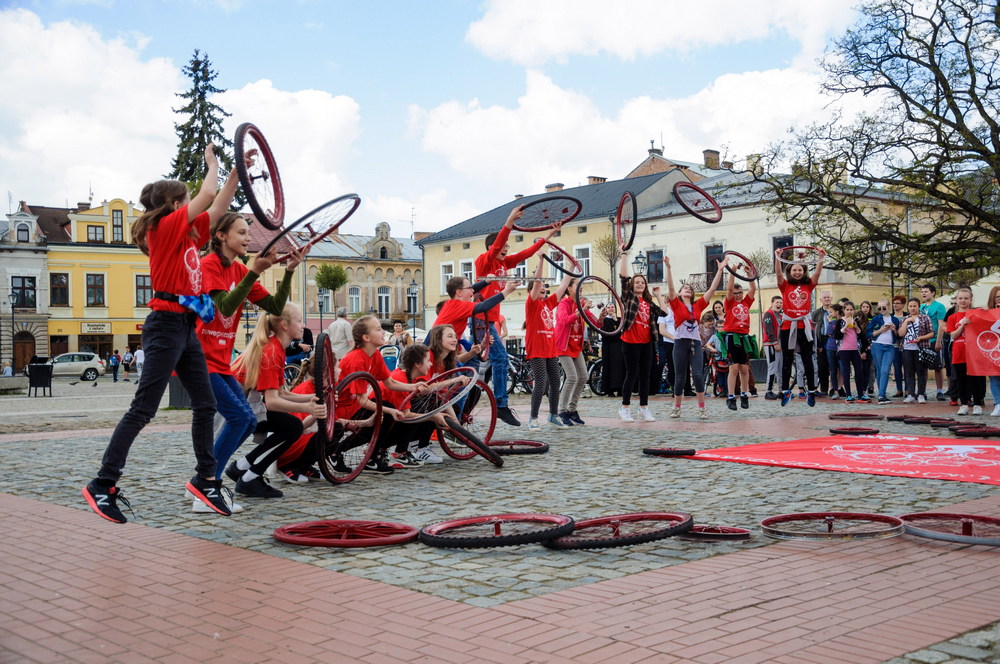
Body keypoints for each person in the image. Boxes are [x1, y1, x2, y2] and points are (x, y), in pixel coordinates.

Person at [83, 143, 237, 523]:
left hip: (185, 327)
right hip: (165, 326)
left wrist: (238, 174)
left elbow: (216, 207)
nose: (194, 203)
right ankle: (103, 483)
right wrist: (213, 163)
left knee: (205, 404)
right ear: (173, 204)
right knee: (143, 409)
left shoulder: (187, 234)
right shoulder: (164, 227)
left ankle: (206, 478)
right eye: (185, 198)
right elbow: (207, 195)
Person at [195, 210, 300, 510]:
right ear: (221, 236)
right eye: (241, 233)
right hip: (200, 358)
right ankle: (206, 485)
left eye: (248, 233)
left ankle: (204, 482)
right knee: (241, 418)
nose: (247, 238)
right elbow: (225, 308)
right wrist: (254, 271)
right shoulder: (209, 265)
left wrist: (290, 269)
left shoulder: (240, 272)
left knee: (247, 419)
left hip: (221, 360)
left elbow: (275, 306)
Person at [474, 205, 563, 426]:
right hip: (479, 317)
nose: (506, 249)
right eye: (503, 246)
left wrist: (550, 235)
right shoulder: (485, 260)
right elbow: (496, 246)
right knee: (500, 359)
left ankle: (468, 404)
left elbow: (527, 253)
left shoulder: (505, 263)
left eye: (508, 247)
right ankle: (501, 405)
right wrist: (510, 222)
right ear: (493, 247)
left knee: (483, 365)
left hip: (488, 320)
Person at [228, 303, 326, 497]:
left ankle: (242, 467)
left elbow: (282, 394)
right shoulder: (271, 351)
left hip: (241, 404)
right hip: (233, 408)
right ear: (283, 325)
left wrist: (313, 398)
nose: (303, 325)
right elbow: (272, 402)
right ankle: (249, 478)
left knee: (289, 425)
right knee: (292, 426)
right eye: (299, 320)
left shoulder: (277, 348)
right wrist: (309, 408)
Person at [338, 315, 428, 474]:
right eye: (378, 329)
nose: (383, 332)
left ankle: (371, 455)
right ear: (366, 337)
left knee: (387, 411)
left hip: (354, 405)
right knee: (385, 412)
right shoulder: (356, 359)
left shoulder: (376, 354)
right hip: (342, 408)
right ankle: (348, 452)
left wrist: (414, 385)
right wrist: (389, 411)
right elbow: (362, 400)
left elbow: (390, 383)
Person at [664, 254, 726, 420]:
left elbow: (712, 290)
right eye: (685, 288)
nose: (688, 289)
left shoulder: (698, 305)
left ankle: (702, 408)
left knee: (698, 375)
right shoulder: (676, 304)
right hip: (680, 343)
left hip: (695, 343)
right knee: (679, 377)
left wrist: (720, 270)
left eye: (690, 289)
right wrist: (669, 268)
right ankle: (677, 407)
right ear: (679, 292)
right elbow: (670, 288)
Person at [617, 251, 668, 422]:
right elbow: (623, 277)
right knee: (632, 374)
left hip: (646, 342)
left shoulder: (648, 303)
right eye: (637, 282)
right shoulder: (629, 298)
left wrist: (659, 294)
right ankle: (624, 408)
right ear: (632, 286)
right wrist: (623, 255)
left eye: (642, 283)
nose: (640, 284)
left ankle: (644, 408)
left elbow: (664, 312)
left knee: (646, 375)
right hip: (630, 341)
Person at [523, 259, 573, 429]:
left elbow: (562, 287)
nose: (543, 292)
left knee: (555, 381)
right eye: (540, 290)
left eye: (545, 290)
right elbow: (537, 283)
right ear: (531, 291)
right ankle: (533, 418)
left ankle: (553, 415)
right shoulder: (531, 304)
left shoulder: (547, 304)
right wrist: (540, 260)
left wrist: (571, 268)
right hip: (536, 350)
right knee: (541, 382)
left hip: (550, 350)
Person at [775, 250, 825, 407]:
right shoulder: (785, 285)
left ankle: (810, 391)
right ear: (789, 271)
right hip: (788, 326)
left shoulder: (808, 285)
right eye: (794, 269)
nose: (797, 272)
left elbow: (817, 273)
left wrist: (821, 259)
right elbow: (778, 273)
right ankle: (785, 391)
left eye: (800, 269)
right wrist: (777, 258)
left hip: (805, 326)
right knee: (787, 360)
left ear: (804, 271)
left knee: (807, 358)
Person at [555, 279, 602, 425]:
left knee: (583, 377)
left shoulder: (581, 303)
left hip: (576, 346)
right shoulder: (564, 303)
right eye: (577, 285)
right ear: (569, 288)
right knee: (572, 377)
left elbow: (596, 323)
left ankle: (572, 410)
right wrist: (579, 312)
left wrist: (602, 315)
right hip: (563, 345)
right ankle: (562, 411)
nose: (580, 288)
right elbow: (563, 321)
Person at [720, 272, 757, 411]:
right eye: (736, 293)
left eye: (740, 292)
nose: (738, 295)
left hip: (744, 337)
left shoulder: (746, 302)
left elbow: (753, 289)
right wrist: (732, 272)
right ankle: (730, 397)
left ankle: (744, 394)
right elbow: (729, 289)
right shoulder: (729, 303)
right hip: (732, 336)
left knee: (744, 368)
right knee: (734, 368)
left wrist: (750, 274)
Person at [947, 287, 986, 415]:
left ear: (970, 300)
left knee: (974, 378)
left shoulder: (975, 314)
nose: (963, 301)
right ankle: (963, 403)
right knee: (960, 378)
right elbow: (953, 335)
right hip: (959, 350)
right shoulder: (953, 317)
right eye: (960, 298)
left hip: (973, 350)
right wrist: (963, 324)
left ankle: (977, 403)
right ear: (957, 300)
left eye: (966, 298)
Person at [897, 297, 934, 404]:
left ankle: (921, 394)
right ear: (907, 307)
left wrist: (921, 338)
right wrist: (907, 322)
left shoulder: (925, 318)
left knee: (921, 372)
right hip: (907, 348)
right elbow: (900, 334)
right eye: (910, 306)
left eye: (914, 306)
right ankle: (911, 394)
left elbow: (931, 332)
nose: (912, 308)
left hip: (920, 348)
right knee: (909, 372)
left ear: (918, 307)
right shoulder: (904, 319)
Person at [833, 301, 870, 403]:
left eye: (851, 310)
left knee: (859, 371)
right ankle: (848, 394)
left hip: (855, 350)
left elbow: (861, 337)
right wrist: (845, 327)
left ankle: (860, 394)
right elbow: (837, 336)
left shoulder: (856, 321)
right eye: (847, 310)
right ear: (844, 311)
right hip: (844, 350)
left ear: (854, 310)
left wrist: (856, 327)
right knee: (846, 372)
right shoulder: (840, 322)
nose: (849, 311)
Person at [867, 299, 901, 404]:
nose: (882, 310)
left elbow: (898, 336)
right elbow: (868, 334)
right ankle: (882, 395)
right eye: (879, 308)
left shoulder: (894, 319)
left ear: (889, 307)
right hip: (877, 346)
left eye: (884, 308)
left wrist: (894, 329)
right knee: (880, 369)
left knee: (885, 370)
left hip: (890, 346)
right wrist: (881, 330)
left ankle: (881, 395)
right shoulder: (876, 319)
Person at [919, 284, 948, 401]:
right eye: (922, 292)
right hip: (922, 341)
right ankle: (922, 391)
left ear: (933, 293)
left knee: (937, 367)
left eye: (926, 291)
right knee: (922, 367)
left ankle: (939, 391)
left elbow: (941, 325)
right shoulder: (921, 307)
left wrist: (938, 341)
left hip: (934, 339)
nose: (923, 294)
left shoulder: (939, 306)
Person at [811, 290, 836, 396]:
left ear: (831, 299)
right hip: (821, 340)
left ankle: (835, 388)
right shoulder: (816, 313)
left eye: (828, 297)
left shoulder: (835, 311)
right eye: (824, 297)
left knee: (834, 365)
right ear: (821, 299)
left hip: (833, 340)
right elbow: (812, 329)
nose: (826, 299)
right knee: (822, 366)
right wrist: (817, 344)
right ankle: (824, 389)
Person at [762, 296, 782, 399]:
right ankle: (768, 391)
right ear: (772, 303)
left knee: (780, 368)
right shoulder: (768, 314)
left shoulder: (780, 315)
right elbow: (769, 329)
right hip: (770, 344)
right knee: (772, 367)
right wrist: (774, 342)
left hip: (779, 344)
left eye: (780, 303)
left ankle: (781, 390)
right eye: (777, 302)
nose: (779, 304)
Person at [655, 307, 676, 396]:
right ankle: (670, 385)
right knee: (667, 363)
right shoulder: (662, 313)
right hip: (667, 342)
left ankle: (682, 386)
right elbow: (662, 330)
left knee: (679, 365)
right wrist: (674, 338)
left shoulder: (678, 310)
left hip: (680, 341)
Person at [987, 285, 1000, 417]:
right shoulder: (988, 313)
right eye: (998, 297)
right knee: (994, 376)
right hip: (993, 350)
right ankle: (998, 404)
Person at [890, 294, 907, 396]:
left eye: (898, 303)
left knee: (908, 367)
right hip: (895, 344)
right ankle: (899, 389)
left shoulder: (907, 316)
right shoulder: (890, 317)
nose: (895, 305)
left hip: (906, 344)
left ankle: (908, 389)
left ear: (903, 305)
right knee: (897, 367)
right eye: (894, 303)